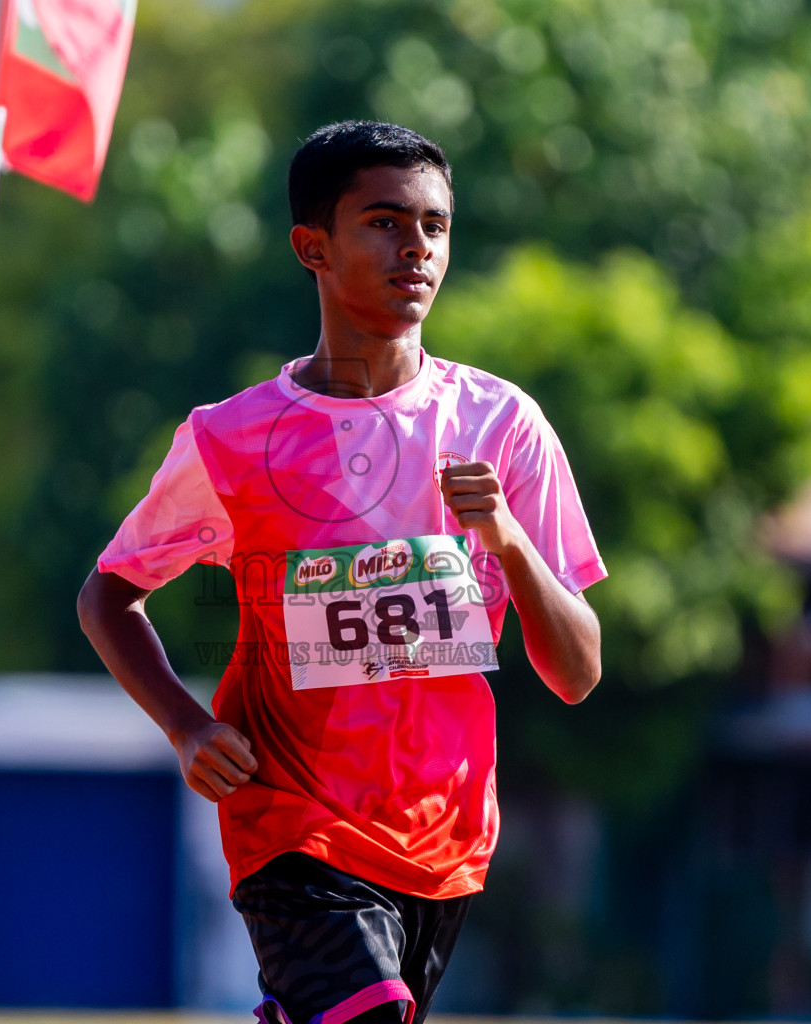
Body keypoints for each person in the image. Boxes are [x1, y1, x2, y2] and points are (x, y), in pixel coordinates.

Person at [78, 120, 606, 1024]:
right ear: (311, 246)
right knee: (368, 1015)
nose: (417, 249)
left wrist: (510, 540)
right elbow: (108, 596)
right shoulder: (231, 439)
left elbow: (577, 673)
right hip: (286, 815)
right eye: (385, 222)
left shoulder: (502, 425)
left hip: (444, 829)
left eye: (435, 227)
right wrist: (186, 727)